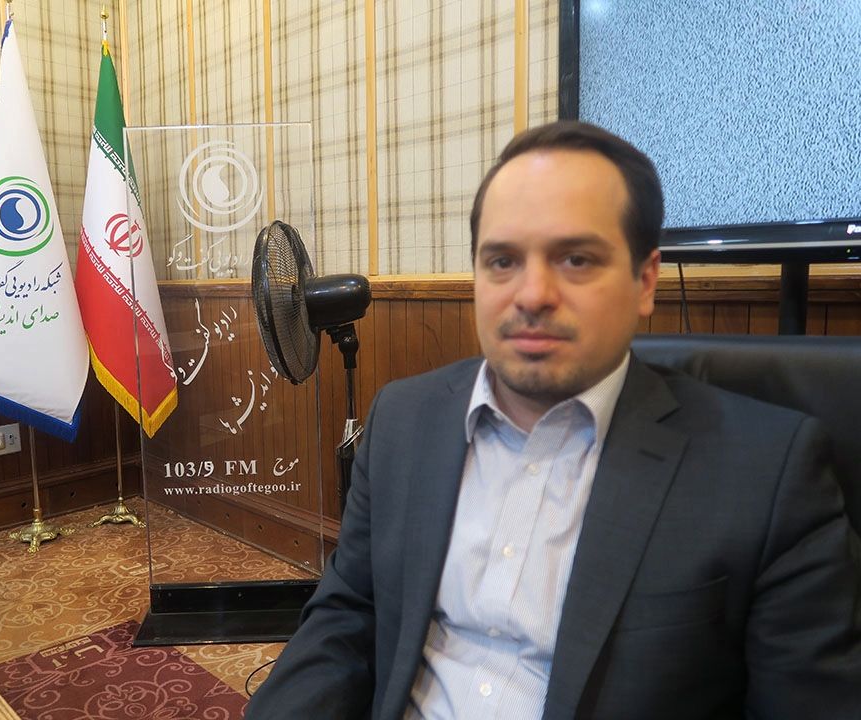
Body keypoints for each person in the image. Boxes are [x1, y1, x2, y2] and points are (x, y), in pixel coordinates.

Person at [244, 121, 861, 719]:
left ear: (646, 280)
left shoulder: (768, 474)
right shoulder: (403, 419)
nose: (533, 293)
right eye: (502, 261)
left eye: (576, 259)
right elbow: (348, 613)